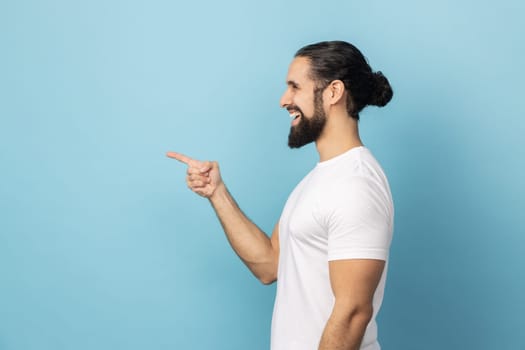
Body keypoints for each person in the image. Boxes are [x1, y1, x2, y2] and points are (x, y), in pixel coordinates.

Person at [167, 40, 394, 350]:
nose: (283, 100)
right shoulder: (319, 180)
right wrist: (216, 193)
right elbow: (270, 265)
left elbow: (353, 313)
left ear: (333, 92)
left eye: (295, 87)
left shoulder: (356, 185)